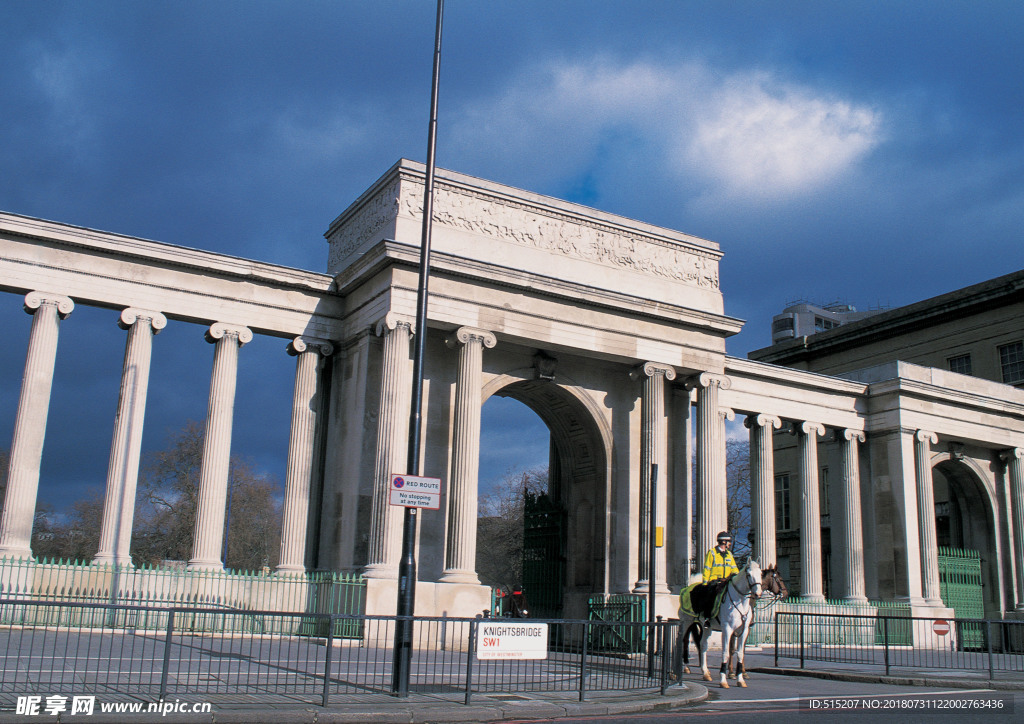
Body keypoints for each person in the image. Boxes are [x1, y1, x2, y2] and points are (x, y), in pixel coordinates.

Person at [693, 531, 739, 618]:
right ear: (724, 542)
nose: (730, 544)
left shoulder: (729, 554)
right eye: (729, 541)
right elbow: (707, 569)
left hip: (726, 581)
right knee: (710, 597)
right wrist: (705, 583)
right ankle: (707, 617)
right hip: (714, 581)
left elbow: (734, 568)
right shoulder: (712, 553)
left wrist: (737, 577)